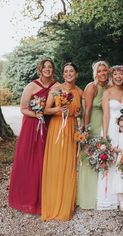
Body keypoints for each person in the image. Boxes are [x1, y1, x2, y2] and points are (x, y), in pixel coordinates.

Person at [8, 58, 58, 214]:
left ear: (53, 70)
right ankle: (26, 197)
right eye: (45, 67)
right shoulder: (31, 86)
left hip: (50, 126)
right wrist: (37, 115)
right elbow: (23, 108)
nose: (48, 69)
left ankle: (46, 197)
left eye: (50, 67)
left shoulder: (57, 86)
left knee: (46, 161)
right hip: (32, 127)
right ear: (40, 69)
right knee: (30, 160)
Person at [41, 62, 83, 221]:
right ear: (63, 74)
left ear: (76, 74)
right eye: (66, 71)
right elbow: (45, 110)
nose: (68, 73)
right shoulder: (56, 89)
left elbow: (79, 111)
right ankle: (53, 203)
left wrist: (77, 113)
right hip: (57, 129)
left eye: (71, 71)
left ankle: (66, 202)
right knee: (57, 164)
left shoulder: (79, 91)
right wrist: (58, 110)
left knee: (69, 164)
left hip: (72, 128)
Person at [97, 65, 123, 210]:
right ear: (112, 76)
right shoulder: (107, 92)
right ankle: (107, 198)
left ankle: (122, 197)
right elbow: (106, 115)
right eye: (115, 74)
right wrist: (105, 136)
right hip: (110, 127)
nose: (118, 77)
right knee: (110, 161)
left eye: (121, 75)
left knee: (121, 160)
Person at [77, 61, 109, 209]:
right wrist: (86, 131)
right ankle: (86, 197)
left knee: (101, 157)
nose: (102, 73)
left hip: (104, 125)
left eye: (104, 71)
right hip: (92, 124)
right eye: (99, 71)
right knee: (88, 157)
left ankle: (100, 196)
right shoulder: (92, 87)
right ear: (95, 73)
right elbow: (87, 110)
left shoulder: (108, 87)